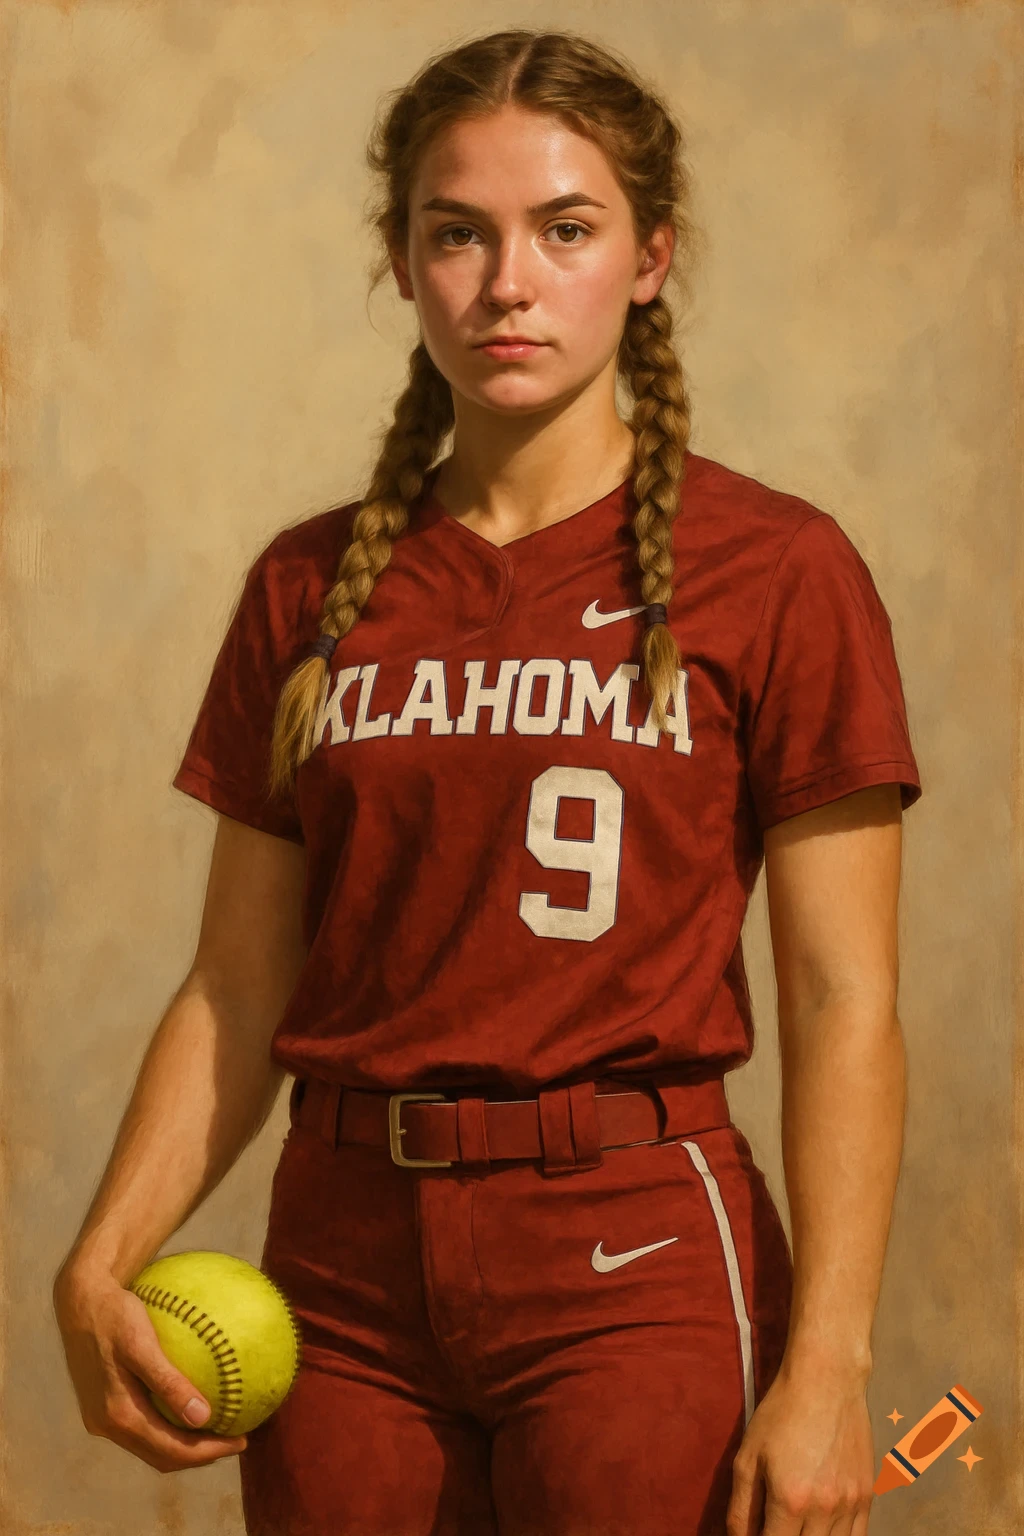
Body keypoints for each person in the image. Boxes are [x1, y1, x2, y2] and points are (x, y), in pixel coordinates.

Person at [52, 27, 922, 1536]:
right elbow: (238, 983)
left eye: (564, 229)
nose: (507, 282)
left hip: (632, 1251)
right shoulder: (306, 585)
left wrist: (833, 1362)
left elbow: (845, 999)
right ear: (402, 261)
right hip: (345, 1268)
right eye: (458, 233)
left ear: (651, 257)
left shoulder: (778, 569)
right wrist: (99, 1259)